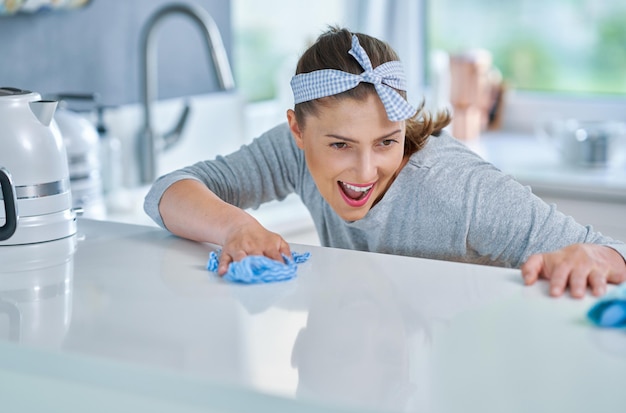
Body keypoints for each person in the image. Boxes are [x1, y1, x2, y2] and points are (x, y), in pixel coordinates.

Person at [144, 27, 626, 299]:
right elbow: (166, 190)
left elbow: (609, 251)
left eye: (386, 141)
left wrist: (595, 256)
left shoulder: (459, 191)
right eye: (339, 145)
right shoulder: (290, 152)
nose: (365, 171)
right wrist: (235, 228)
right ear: (297, 130)